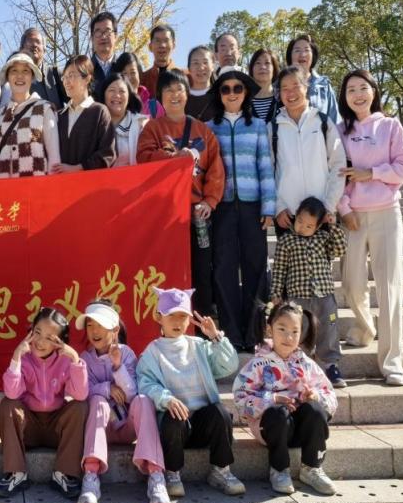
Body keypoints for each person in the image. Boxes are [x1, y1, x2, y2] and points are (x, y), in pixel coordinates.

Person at [337, 68, 403, 386]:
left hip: (386, 214)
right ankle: (365, 327)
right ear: (344, 97)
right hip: (353, 217)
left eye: (362, 87)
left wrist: (372, 173)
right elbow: (335, 174)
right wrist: (344, 208)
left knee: (389, 287)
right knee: (352, 284)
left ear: (373, 91)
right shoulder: (340, 131)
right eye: (351, 89)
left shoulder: (390, 125)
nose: (357, 94)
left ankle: (392, 361)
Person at [136, 288, 244, 498]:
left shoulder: (199, 345)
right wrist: (166, 399)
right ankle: (172, 473)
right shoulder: (152, 352)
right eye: (171, 316)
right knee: (173, 416)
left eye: (183, 316)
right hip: (175, 428)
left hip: (203, 425)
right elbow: (146, 384)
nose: (178, 322)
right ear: (158, 317)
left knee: (220, 412)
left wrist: (215, 337)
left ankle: (221, 470)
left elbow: (229, 366)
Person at [137, 69, 225, 318]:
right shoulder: (153, 129)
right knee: (167, 269)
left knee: (201, 271)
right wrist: (174, 157)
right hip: (165, 214)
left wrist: (210, 201)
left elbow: (216, 170)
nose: (174, 95)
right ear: (160, 97)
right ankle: (167, 324)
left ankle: (202, 326)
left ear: (187, 94)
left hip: (197, 213)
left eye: (179, 90)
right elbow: (143, 158)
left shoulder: (203, 131)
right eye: (168, 91)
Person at [233, 301, 338, 495]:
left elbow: (330, 394)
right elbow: (241, 398)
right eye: (282, 329)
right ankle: (279, 469)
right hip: (272, 428)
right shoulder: (257, 364)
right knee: (278, 413)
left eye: (295, 332)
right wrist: (271, 399)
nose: (288, 337)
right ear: (269, 329)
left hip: (301, 430)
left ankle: (312, 467)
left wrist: (314, 396)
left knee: (315, 410)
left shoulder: (306, 363)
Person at [207, 66, 276, 351]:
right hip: (222, 207)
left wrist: (269, 206)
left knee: (255, 267)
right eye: (226, 89)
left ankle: (254, 334)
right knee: (224, 268)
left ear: (245, 92)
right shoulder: (209, 127)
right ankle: (232, 334)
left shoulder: (258, 125)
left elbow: (265, 166)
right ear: (219, 94)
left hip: (253, 206)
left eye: (237, 88)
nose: (232, 93)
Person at [77, 301, 170, 503]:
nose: (94, 331)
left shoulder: (127, 354)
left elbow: (132, 393)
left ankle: (156, 475)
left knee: (143, 400)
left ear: (115, 329)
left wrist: (118, 366)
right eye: (90, 326)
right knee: (97, 401)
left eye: (100, 326)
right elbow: (82, 392)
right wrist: (106, 388)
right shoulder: (85, 359)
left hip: (127, 426)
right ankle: (91, 476)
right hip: (102, 428)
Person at [0, 307, 89, 499]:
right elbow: (12, 393)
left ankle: (63, 474)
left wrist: (74, 358)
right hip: (28, 427)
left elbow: (80, 394)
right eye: (37, 332)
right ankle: (17, 474)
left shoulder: (65, 361)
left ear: (60, 341)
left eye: (49, 337)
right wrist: (16, 357)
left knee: (80, 407)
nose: (40, 341)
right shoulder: (24, 358)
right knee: (7, 405)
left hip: (56, 428)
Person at [269, 196, 348, 388]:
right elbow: (279, 269)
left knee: (329, 329)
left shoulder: (324, 238)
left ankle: (330, 365)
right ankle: (301, 368)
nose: (302, 227)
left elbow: (340, 249)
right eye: (300, 221)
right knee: (301, 331)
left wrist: (333, 225)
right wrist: (276, 293)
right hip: (298, 298)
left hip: (325, 296)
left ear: (318, 226)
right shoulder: (287, 241)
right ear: (296, 216)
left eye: (309, 226)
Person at [272, 65, 346, 230]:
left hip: (322, 215)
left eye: (296, 86)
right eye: (285, 88)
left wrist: (329, 206)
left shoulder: (323, 122)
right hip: (288, 216)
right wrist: (278, 207)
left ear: (306, 87)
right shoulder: (273, 127)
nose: (290, 93)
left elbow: (339, 165)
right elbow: (267, 172)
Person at [0, 52, 61, 178]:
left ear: (32, 76)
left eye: (25, 71)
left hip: (36, 187)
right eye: (14, 71)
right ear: (7, 77)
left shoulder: (45, 109)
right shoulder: (0, 114)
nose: (20, 76)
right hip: (3, 188)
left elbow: (54, 159)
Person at [54, 55, 115, 173]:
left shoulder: (99, 112)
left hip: (90, 182)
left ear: (87, 79)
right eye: (64, 77)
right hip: (60, 182)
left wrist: (78, 168)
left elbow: (107, 153)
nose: (66, 81)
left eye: (71, 75)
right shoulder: (59, 116)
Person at [285, 33, 338, 123]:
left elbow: (335, 120)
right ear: (290, 55)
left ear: (313, 55)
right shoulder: (278, 85)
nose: (302, 54)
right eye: (297, 50)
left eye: (307, 50)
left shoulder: (324, 85)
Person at [98, 72, 148, 167]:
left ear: (129, 97)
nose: (117, 95)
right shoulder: (94, 124)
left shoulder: (141, 124)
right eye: (112, 90)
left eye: (122, 91)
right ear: (103, 95)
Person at [112, 51, 160, 118]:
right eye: (124, 74)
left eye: (133, 72)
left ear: (139, 73)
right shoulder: (113, 106)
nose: (129, 78)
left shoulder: (154, 107)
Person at [139, 23, 177, 100]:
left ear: (173, 45)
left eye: (166, 40)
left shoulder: (186, 77)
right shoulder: (142, 80)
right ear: (150, 47)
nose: (162, 45)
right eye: (157, 41)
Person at [89, 11, 118, 94]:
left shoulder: (124, 68)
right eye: (98, 32)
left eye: (107, 31)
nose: (103, 36)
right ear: (92, 38)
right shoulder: (84, 71)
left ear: (116, 36)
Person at [185, 45, 216, 122]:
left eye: (205, 62)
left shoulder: (222, 95)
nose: (201, 68)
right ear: (189, 68)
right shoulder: (181, 97)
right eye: (195, 63)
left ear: (213, 66)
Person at [249, 48, 279, 121]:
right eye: (258, 63)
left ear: (274, 68)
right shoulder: (243, 99)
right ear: (252, 69)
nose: (262, 67)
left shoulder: (282, 98)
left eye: (267, 63)